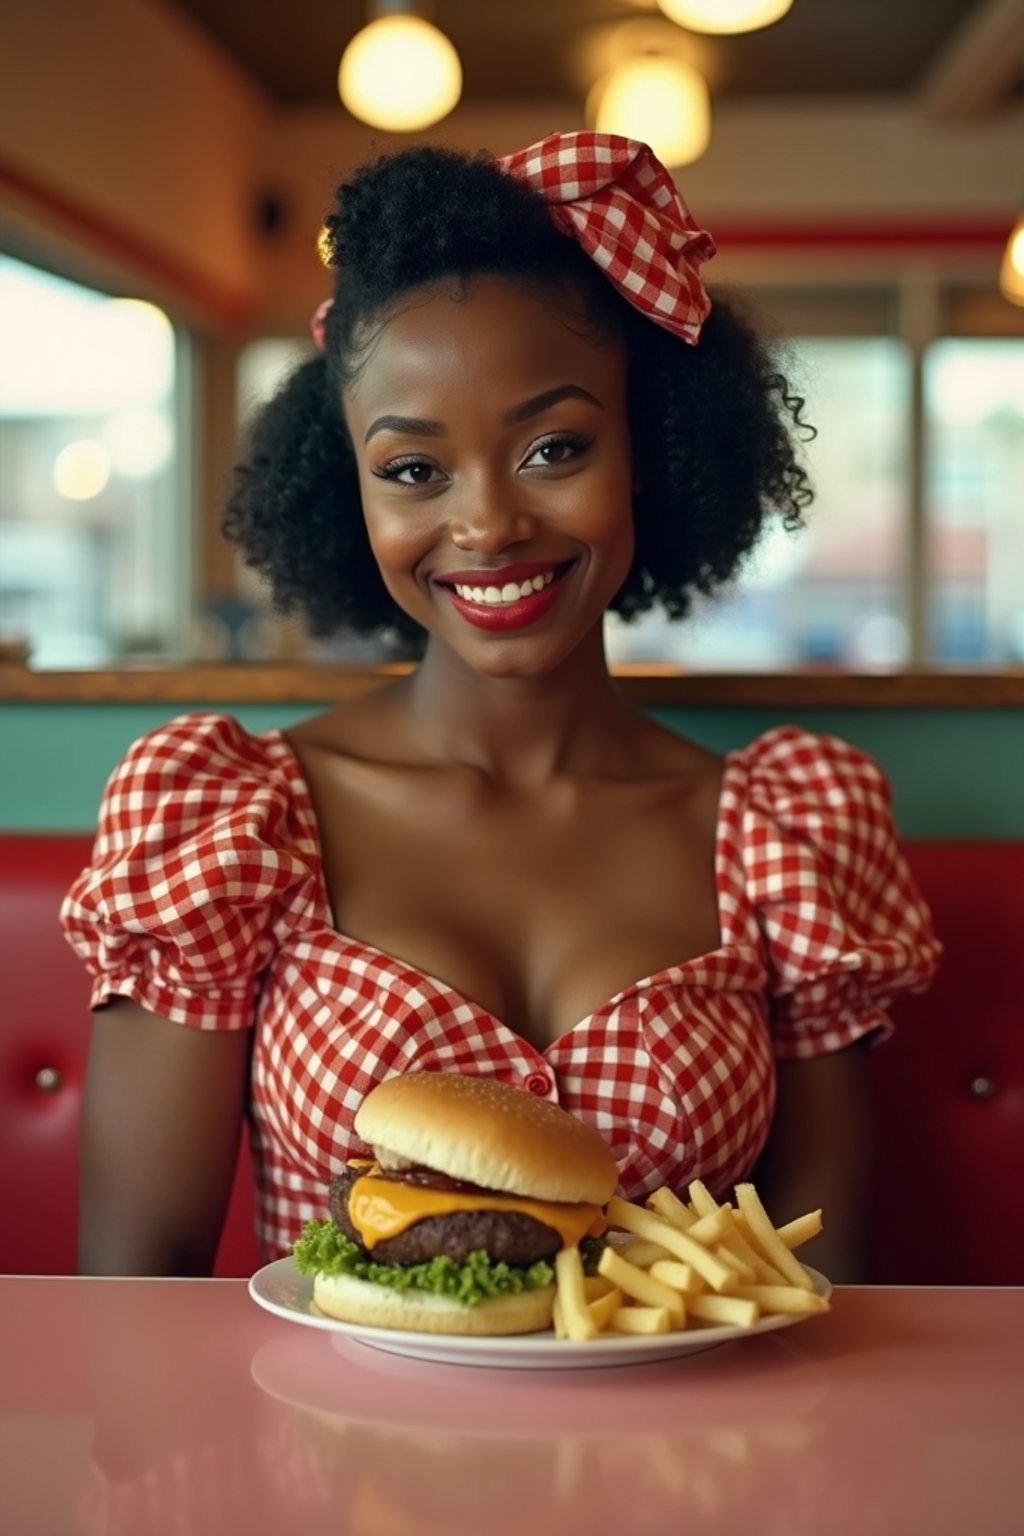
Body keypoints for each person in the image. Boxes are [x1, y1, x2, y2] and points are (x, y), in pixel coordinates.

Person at [61, 132, 940, 1282]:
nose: (486, 526)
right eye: (414, 470)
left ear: (652, 454)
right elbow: (137, 1282)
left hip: (692, 1458)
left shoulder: (791, 828)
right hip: (318, 1454)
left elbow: (819, 1285)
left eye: (552, 447)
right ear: (348, 490)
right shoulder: (229, 819)